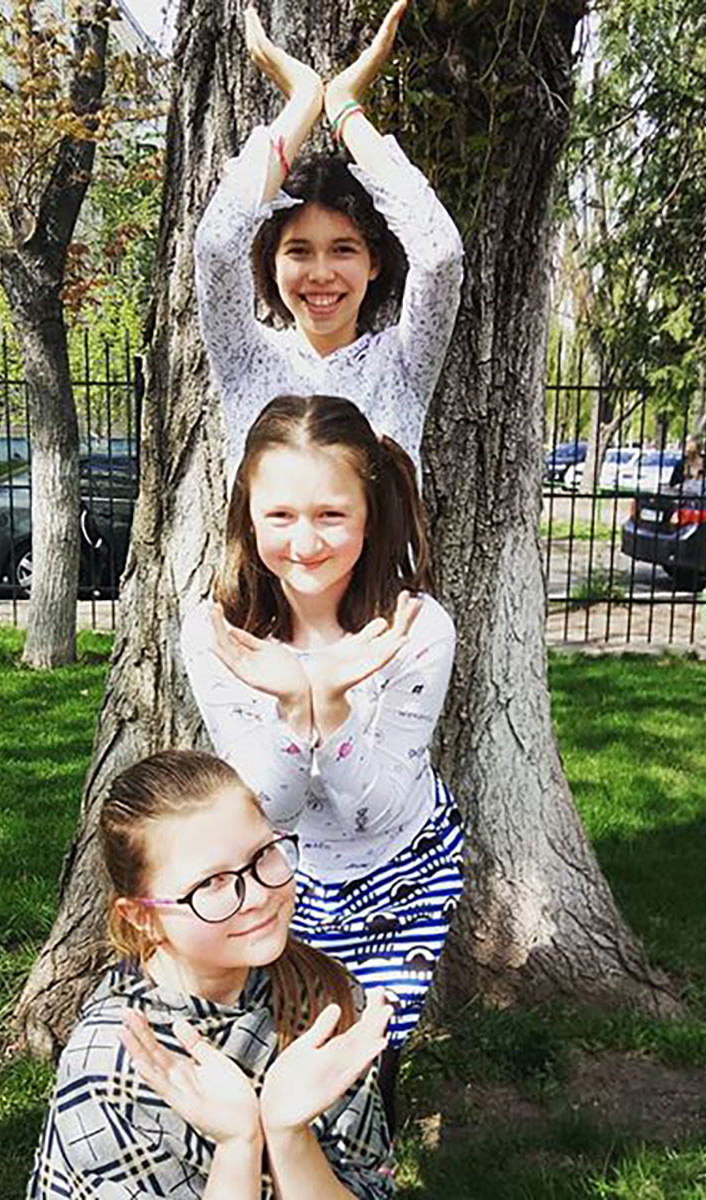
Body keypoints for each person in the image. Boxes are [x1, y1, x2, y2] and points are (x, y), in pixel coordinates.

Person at [180, 394, 464, 1127]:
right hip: (279, 875)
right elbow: (266, 807)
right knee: (278, 1046)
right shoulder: (221, 634)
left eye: (331, 514)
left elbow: (373, 809)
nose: (304, 542)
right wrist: (292, 708)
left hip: (398, 870)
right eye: (280, 515)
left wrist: (329, 706)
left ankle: (370, 1156)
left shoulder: (416, 629)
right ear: (248, 515)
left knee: (367, 1055)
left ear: (370, 514)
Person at [29, 749, 394, 1199]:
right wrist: (237, 1146)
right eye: (211, 883)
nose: (258, 896)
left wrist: (289, 1136)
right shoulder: (114, 1063)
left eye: (263, 854)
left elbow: (365, 1184)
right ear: (143, 917)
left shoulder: (323, 996)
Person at [195, 0, 464, 482]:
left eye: (343, 249)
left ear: (374, 261)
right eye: (299, 251)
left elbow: (439, 256)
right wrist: (302, 100)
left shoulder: (403, 365)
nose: (321, 274)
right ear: (272, 263)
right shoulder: (244, 358)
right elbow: (217, 245)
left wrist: (343, 108)